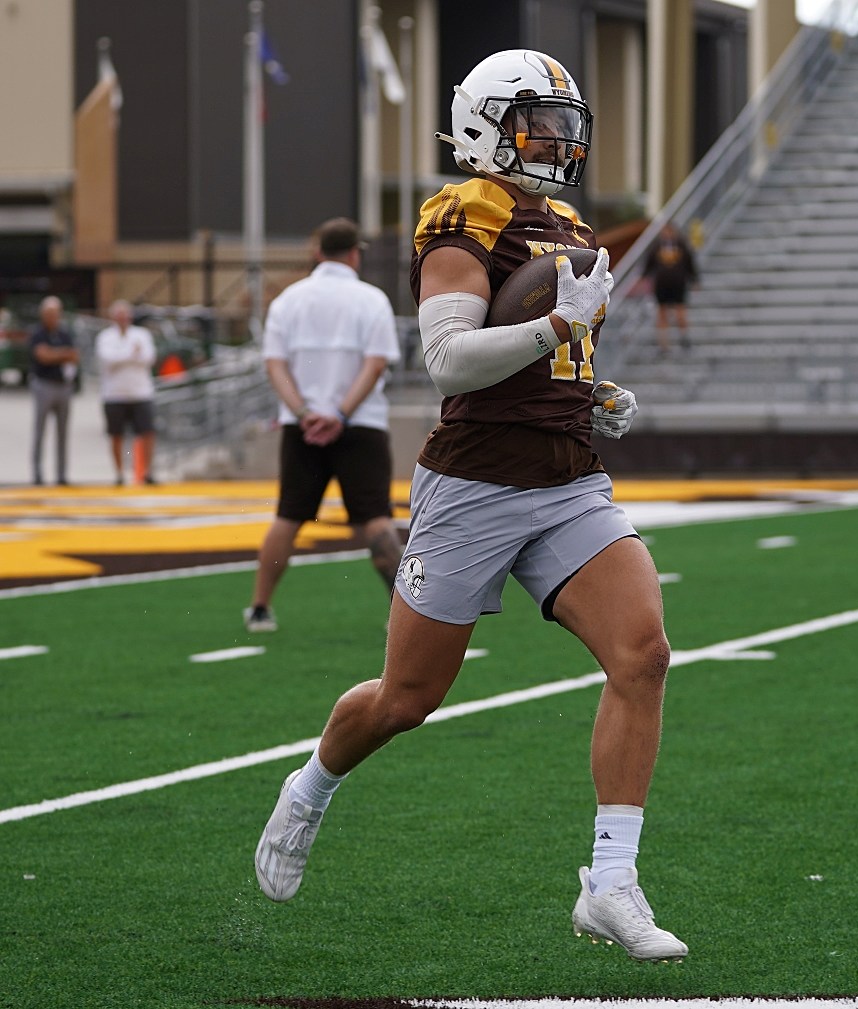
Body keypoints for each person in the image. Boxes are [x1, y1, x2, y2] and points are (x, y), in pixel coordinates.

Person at [252, 50, 685, 964]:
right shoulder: (464, 212)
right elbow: (450, 360)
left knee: (642, 652)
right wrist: (556, 330)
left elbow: (540, 351)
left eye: (566, 124)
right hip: (477, 482)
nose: (558, 142)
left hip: (567, 476)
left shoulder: (566, 220)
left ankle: (610, 882)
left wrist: (587, 384)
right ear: (488, 125)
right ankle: (311, 786)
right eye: (538, 122)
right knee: (407, 698)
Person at [244, 218, 403, 633]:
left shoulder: (287, 300)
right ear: (355, 253)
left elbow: (274, 364)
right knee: (375, 518)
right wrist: (342, 414)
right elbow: (376, 362)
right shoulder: (371, 299)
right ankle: (404, 613)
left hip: (303, 426)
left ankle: (260, 607)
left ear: (318, 252)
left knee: (289, 516)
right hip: (360, 422)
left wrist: (303, 412)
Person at [94, 300, 158, 486]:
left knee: (147, 432)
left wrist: (123, 355)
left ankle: (146, 471)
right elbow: (108, 359)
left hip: (140, 392)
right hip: (114, 394)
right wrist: (131, 354)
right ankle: (119, 473)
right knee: (116, 435)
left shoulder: (141, 334)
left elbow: (148, 357)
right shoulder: (105, 336)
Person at [28, 296, 78, 487]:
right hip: (44, 385)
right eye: (49, 314)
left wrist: (54, 354)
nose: (52, 317)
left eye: (55, 314)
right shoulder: (38, 334)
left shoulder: (64, 334)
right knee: (40, 431)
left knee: (63, 432)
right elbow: (42, 356)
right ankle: (37, 473)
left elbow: (74, 356)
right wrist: (61, 354)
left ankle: (61, 474)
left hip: (63, 385)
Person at [646, 221, 697, 355]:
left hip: (678, 284)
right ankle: (663, 344)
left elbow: (690, 263)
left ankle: (684, 337)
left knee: (680, 311)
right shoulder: (656, 247)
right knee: (662, 313)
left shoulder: (681, 246)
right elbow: (648, 265)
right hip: (662, 285)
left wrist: (694, 279)